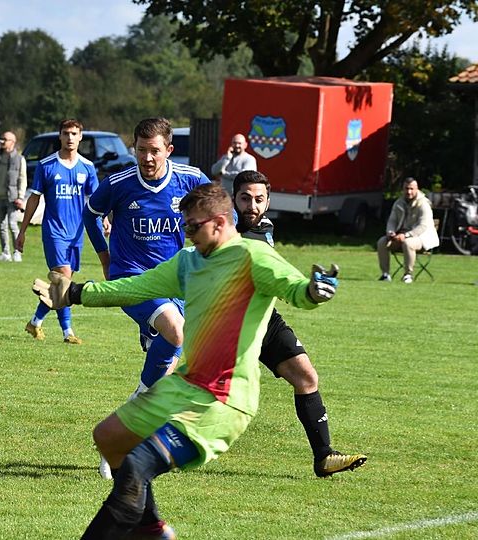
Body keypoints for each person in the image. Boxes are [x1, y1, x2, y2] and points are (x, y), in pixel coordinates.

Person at [32, 183, 340, 539]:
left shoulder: (253, 257)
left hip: (222, 400)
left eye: (194, 226)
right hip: (184, 384)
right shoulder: (188, 262)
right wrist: (76, 292)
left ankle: (137, 528)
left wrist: (313, 291)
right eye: (185, 225)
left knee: (136, 465)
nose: (187, 233)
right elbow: (137, 286)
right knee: (109, 437)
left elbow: (295, 289)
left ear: (221, 222)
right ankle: (150, 528)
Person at [83, 117, 209, 479]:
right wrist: (106, 259)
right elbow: (92, 213)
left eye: (155, 151)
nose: (147, 158)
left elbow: (221, 213)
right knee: (176, 332)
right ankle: (124, 436)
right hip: (131, 279)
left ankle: (120, 438)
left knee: (163, 379)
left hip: (174, 285)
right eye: (141, 150)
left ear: (169, 150)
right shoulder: (120, 184)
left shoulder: (189, 179)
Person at [234, 170, 367, 477]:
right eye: (244, 198)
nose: (251, 206)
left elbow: (275, 270)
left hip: (263, 319)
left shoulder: (265, 227)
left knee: (306, 376)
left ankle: (324, 456)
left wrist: (307, 288)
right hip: (225, 326)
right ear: (233, 199)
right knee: (202, 394)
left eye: (258, 199)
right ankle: (143, 444)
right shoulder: (223, 230)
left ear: (268, 202)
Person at [17, 119, 100, 344]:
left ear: (80, 137)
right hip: (54, 231)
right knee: (63, 280)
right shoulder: (47, 165)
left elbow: (95, 201)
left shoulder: (88, 167)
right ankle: (68, 332)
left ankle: (35, 323)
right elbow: (34, 198)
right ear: (60, 136)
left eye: (74, 133)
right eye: (66, 133)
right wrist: (22, 230)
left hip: (76, 233)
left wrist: (104, 221)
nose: (70, 138)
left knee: (62, 287)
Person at [376, 177, 439, 283]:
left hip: (422, 238)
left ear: (417, 189)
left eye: (411, 189)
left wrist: (406, 235)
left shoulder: (424, 204)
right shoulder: (398, 203)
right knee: (382, 242)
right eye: (406, 189)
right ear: (403, 189)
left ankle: (408, 275)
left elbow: (423, 226)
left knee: (408, 243)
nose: (409, 192)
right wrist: (390, 232)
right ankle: (385, 274)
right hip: (401, 236)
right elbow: (392, 221)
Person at [0, 131, 28, 262]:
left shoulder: (19, 159)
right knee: (1, 225)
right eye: (1, 139)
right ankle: (5, 252)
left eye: (5, 140)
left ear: (13, 142)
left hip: (12, 197)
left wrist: (20, 197)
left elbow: (22, 179)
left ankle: (17, 252)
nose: (2, 142)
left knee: (12, 224)